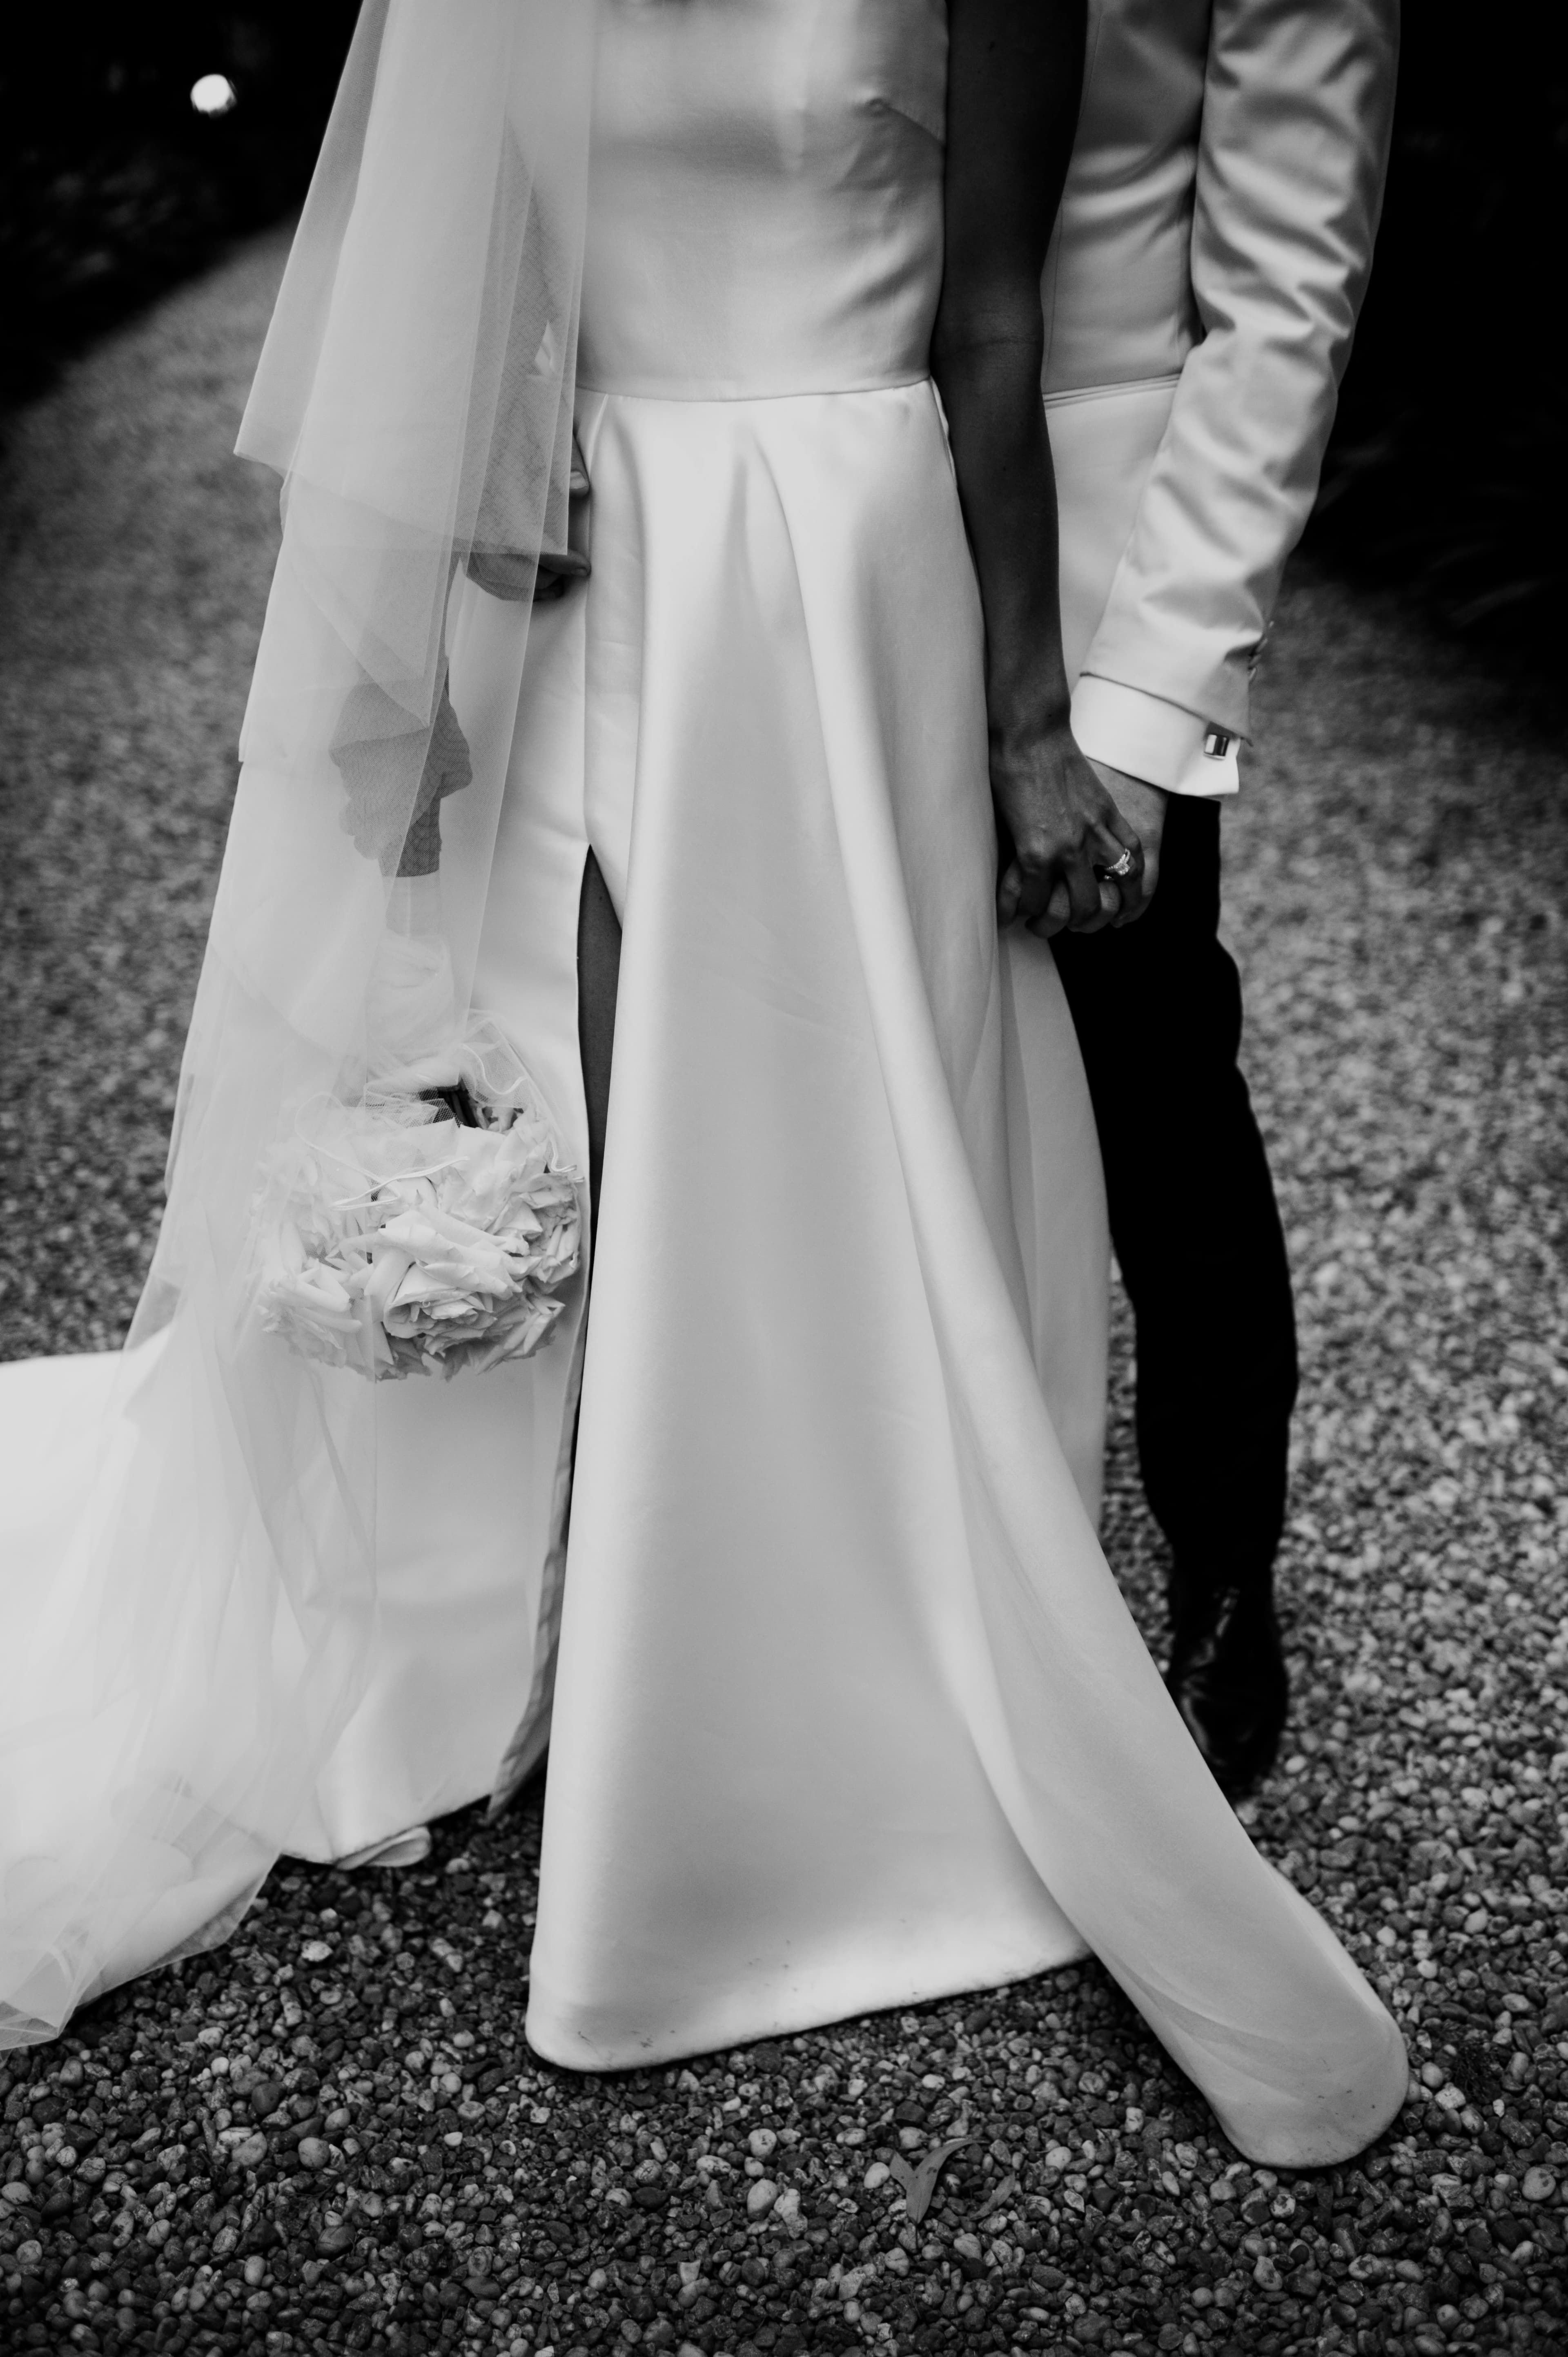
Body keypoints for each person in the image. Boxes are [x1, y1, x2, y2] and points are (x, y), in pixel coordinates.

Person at [0, 0, 1407, 2166]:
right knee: (607, 1114)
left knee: (949, 1122)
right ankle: (587, 1640)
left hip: (890, 561)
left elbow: (1033, 320)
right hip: (632, 562)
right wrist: (435, 669)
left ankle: (1056, 1621)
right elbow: (475, 294)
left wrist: (1059, 712)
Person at [1040, 0, 1400, 1792]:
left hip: (1113, 561)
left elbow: (1284, 286)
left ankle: (1222, 1566)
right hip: (809, 515)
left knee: (1154, 1077)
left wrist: (1153, 691)